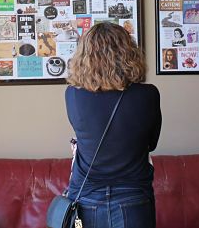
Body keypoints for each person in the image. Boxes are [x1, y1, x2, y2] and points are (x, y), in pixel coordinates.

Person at [65, 23, 162, 228]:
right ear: (129, 53)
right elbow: (151, 143)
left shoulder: (74, 95)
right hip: (133, 197)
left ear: (85, 56)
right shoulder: (148, 94)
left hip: (87, 196)